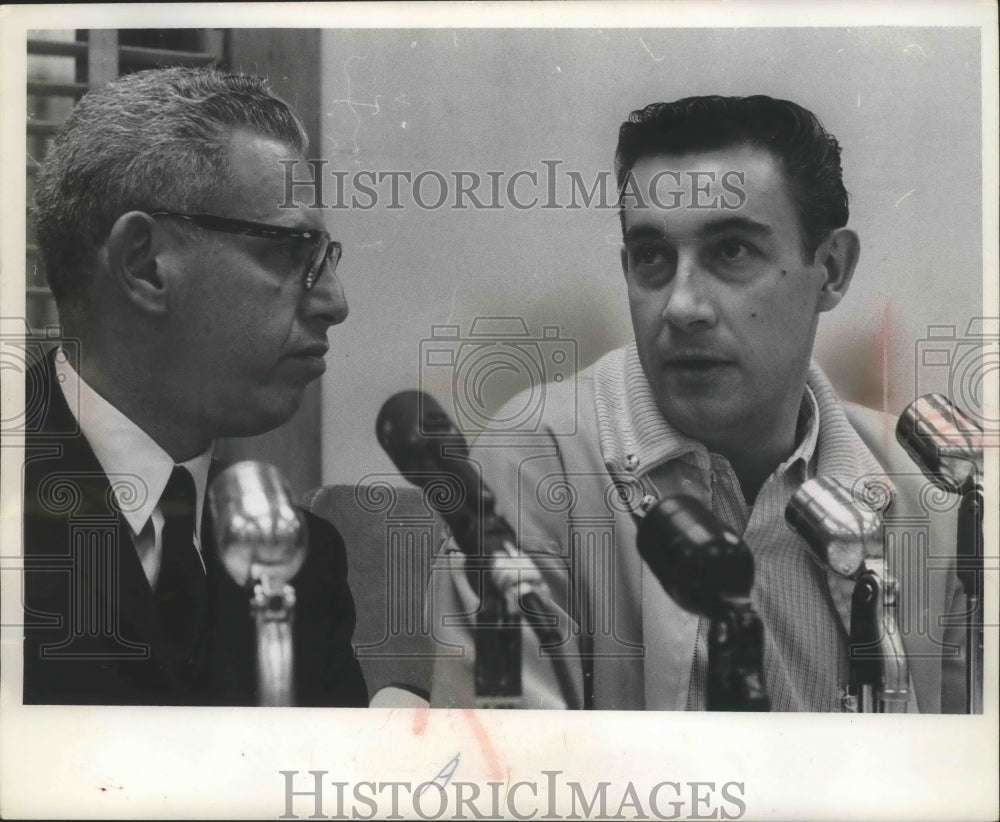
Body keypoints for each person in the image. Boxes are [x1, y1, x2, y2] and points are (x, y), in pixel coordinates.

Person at [427, 95, 967, 712]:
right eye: (652, 257)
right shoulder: (536, 457)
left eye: (731, 251)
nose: (682, 306)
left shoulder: (933, 493)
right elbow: (519, 783)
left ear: (833, 269)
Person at [22, 67, 367, 706]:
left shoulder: (306, 561)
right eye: (292, 253)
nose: (333, 302)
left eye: (326, 261)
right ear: (144, 264)